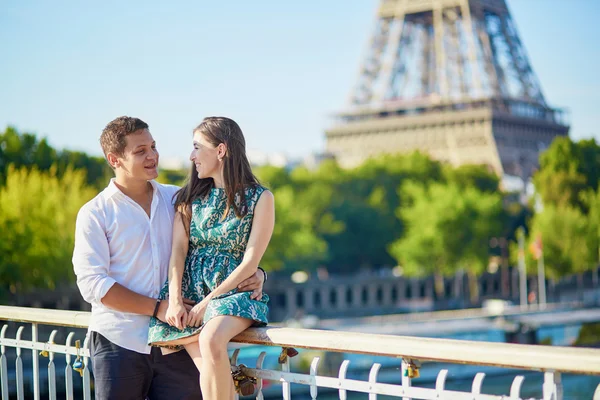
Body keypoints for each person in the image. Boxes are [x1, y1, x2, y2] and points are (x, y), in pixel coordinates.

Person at [72, 116, 266, 400]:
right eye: (140, 151)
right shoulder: (95, 213)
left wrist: (259, 273)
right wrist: (158, 308)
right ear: (115, 159)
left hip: (177, 339)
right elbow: (93, 285)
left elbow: (218, 247)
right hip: (120, 343)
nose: (152, 156)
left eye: (153, 146)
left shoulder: (180, 199)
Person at [148, 116, 274, 400]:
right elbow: (178, 252)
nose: (191, 156)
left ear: (220, 150)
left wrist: (208, 303)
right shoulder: (188, 198)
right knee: (207, 366)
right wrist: (177, 298)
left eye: (196, 147)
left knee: (211, 339)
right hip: (191, 293)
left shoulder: (260, 198)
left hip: (233, 293)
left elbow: (250, 263)